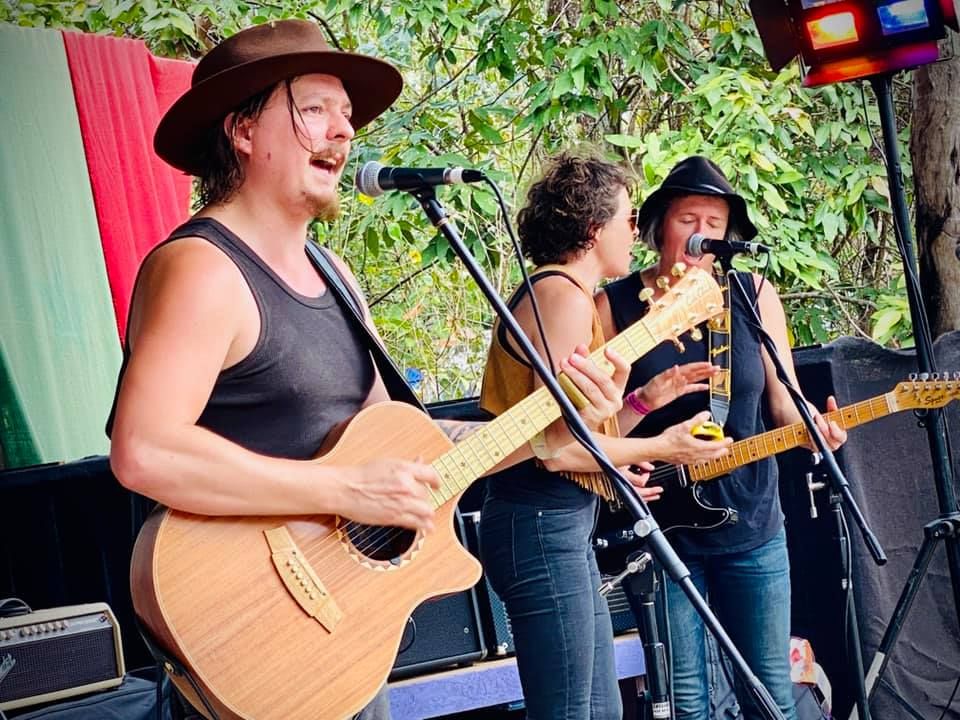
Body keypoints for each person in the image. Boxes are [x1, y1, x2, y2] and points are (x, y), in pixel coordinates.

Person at [106, 20, 629, 719]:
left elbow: (413, 449)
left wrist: (555, 425)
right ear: (243, 131)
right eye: (315, 109)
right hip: (248, 631)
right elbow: (145, 451)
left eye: (347, 114)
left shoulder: (336, 275)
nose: (343, 131)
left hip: (343, 634)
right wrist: (344, 488)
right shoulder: (203, 268)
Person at [477, 151, 734, 720]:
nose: (635, 233)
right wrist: (664, 447)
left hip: (556, 521)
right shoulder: (563, 296)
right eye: (627, 218)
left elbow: (576, 433)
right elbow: (556, 449)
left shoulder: (567, 295)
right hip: (537, 519)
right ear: (594, 229)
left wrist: (642, 401)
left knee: (600, 709)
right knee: (572, 710)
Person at [595, 155, 848, 720]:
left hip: (753, 521)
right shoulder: (612, 306)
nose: (701, 234)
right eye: (688, 220)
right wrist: (647, 407)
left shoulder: (753, 294)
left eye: (714, 223)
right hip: (661, 527)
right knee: (687, 701)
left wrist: (814, 428)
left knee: (771, 694)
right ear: (659, 226)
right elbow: (596, 427)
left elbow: (784, 401)